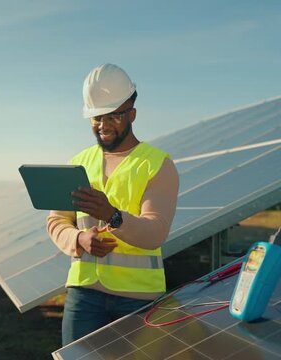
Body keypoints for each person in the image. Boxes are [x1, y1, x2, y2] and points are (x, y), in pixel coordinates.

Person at [47, 63, 179, 345]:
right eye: (96, 117)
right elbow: (57, 221)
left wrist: (111, 215)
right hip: (83, 294)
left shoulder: (157, 164)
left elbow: (156, 232)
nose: (103, 126)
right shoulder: (78, 162)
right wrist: (79, 238)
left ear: (132, 113)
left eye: (113, 116)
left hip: (137, 300)